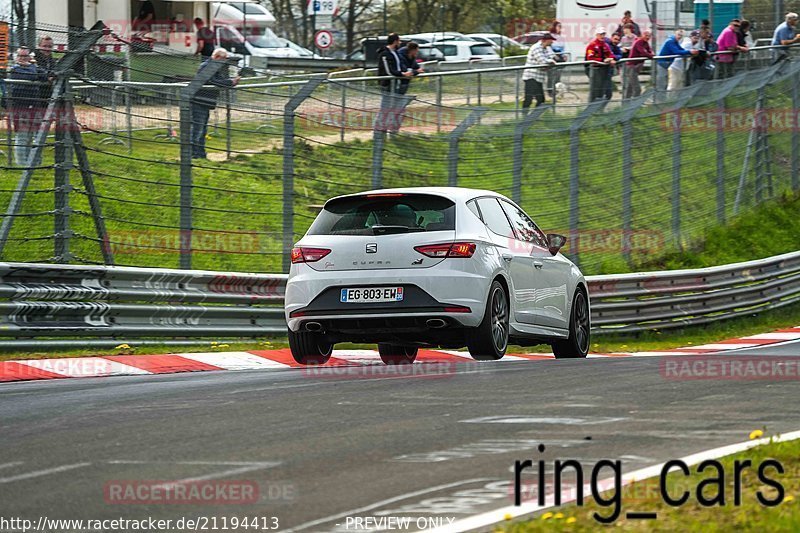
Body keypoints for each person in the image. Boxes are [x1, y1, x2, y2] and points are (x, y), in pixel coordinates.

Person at [190, 49, 240, 159]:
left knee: (202, 130)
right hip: (198, 101)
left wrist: (230, 81)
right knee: (197, 130)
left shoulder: (214, 68)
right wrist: (230, 82)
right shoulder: (207, 66)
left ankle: (200, 154)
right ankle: (193, 154)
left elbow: (219, 80)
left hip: (205, 102)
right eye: (223, 59)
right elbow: (213, 81)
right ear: (217, 57)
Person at [8, 47, 47, 166]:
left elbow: (45, 75)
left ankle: (36, 162)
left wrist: (35, 70)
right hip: (20, 106)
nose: (23, 59)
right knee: (22, 136)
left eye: (25, 56)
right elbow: (28, 77)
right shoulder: (14, 69)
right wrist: (34, 70)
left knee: (36, 135)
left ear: (30, 57)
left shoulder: (35, 68)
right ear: (16, 57)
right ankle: (22, 163)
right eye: (20, 56)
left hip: (34, 105)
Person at [521, 32, 557, 109]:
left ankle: (533, 118)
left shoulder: (545, 48)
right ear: (545, 40)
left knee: (540, 100)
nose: (552, 42)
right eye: (551, 40)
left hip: (538, 78)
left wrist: (551, 61)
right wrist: (550, 62)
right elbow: (543, 62)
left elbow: (552, 57)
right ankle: (525, 118)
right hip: (531, 77)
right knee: (530, 99)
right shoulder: (537, 48)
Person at [585, 27, 616, 102]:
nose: (602, 36)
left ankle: (599, 109)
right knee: (595, 91)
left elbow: (611, 54)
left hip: (605, 70)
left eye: (604, 34)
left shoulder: (605, 45)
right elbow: (590, 58)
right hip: (595, 70)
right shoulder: (592, 45)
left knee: (606, 92)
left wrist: (611, 59)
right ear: (597, 35)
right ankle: (591, 109)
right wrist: (603, 60)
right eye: (601, 34)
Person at [624, 29, 653, 99]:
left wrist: (650, 54)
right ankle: (635, 104)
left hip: (637, 67)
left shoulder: (646, 43)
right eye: (646, 35)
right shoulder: (639, 42)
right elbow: (643, 52)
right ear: (642, 35)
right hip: (632, 66)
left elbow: (650, 51)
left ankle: (626, 104)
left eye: (649, 36)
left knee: (630, 87)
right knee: (637, 88)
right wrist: (651, 56)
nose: (647, 37)